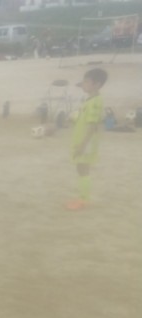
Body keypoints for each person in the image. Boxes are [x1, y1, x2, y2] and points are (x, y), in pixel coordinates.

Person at [67, 68, 107, 211]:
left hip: (86, 141)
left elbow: (92, 125)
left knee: (83, 169)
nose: (83, 84)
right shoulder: (91, 99)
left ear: (97, 84)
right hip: (83, 139)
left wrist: (82, 145)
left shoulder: (95, 102)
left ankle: (84, 200)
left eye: (86, 82)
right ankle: (82, 198)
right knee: (81, 168)